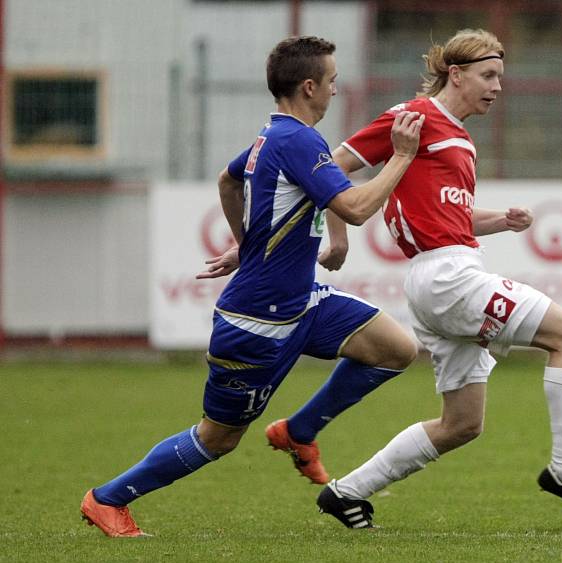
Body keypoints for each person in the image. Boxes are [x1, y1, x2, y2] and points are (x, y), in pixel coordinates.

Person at [80, 35, 425, 537]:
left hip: (299, 304)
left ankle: (300, 430)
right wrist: (402, 156)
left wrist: (249, 246)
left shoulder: (274, 136)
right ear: (309, 87)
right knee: (217, 439)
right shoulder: (298, 141)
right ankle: (107, 499)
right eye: (331, 82)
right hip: (255, 325)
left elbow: (227, 180)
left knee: (396, 348)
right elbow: (353, 207)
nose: (335, 90)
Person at [308, 29, 562, 529]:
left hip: (439, 275)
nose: (497, 87)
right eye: (488, 76)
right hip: (447, 277)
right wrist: (338, 236)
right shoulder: (415, 117)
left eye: (501, 78)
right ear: (457, 74)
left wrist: (500, 221)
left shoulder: (459, 138)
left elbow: (451, 218)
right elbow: (330, 167)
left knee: (462, 424)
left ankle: (346, 492)